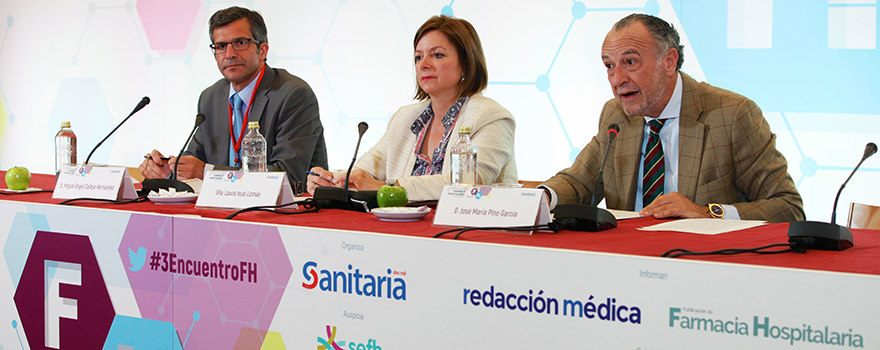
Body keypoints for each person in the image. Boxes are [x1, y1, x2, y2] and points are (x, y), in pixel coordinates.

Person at [541, 14, 804, 223]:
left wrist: (707, 213)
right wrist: (540, 197)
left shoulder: (732, 114)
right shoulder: (616, 115)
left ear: (669, 61)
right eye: (609, 65)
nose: (617, 78)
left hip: (703, 267)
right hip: (626, 261)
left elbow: (788, 207)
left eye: (630, 62)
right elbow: (578, 182)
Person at [306, 15, 517, 201]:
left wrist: (386, 188)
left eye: (437, 55)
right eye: (418, 57)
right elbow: (365, 172)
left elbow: (468, 185)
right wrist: (332, 180)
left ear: (466, 63)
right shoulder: (406, 118)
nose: (423, 64)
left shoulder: (492, 118)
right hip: (405, 231)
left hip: (471, 233)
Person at [139, 6, 327, 186]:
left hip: (278, 213)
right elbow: (195, 160)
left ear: (262, 50)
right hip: (222, 209)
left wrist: (208, 172)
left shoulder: (292, 94)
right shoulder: (211, 98)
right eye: (221, 46)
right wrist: (169, 171)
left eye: (240, 43)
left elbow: (289, 176)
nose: (229, 54)